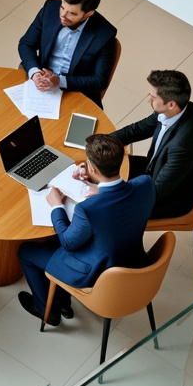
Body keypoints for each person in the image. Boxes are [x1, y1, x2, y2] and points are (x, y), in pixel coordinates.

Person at [17, 134, 155, 325]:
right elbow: (123, 199)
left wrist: (56, 206)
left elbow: (68, 243)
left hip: (97, 271)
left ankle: (46, 311)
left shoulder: (88, 209)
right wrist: (99, 187)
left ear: (92, 168)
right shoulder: (146, 184)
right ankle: (62, 301)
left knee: (26, 251)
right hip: (133, 257)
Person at [109, 69, 193, 219]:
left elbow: (156, 191)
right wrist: (101, 143)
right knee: (108, 164)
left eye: (152, 97)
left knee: (109, 211)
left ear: (171, 104)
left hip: (174, 195)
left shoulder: (182, 146)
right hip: (157, 168)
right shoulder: (182, 107)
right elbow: (138, 129)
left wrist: (112, 192)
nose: (148, 99)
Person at [17, 0, 117, 107]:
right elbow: (26, 44)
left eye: (72, 13)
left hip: (75, 89)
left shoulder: (105, 33)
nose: (63, 16)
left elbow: (99, 81)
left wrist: (59, 81)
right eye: (62, 7)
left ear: (89, 14)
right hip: (39, 79)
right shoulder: (50, 9)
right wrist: (35, 72)